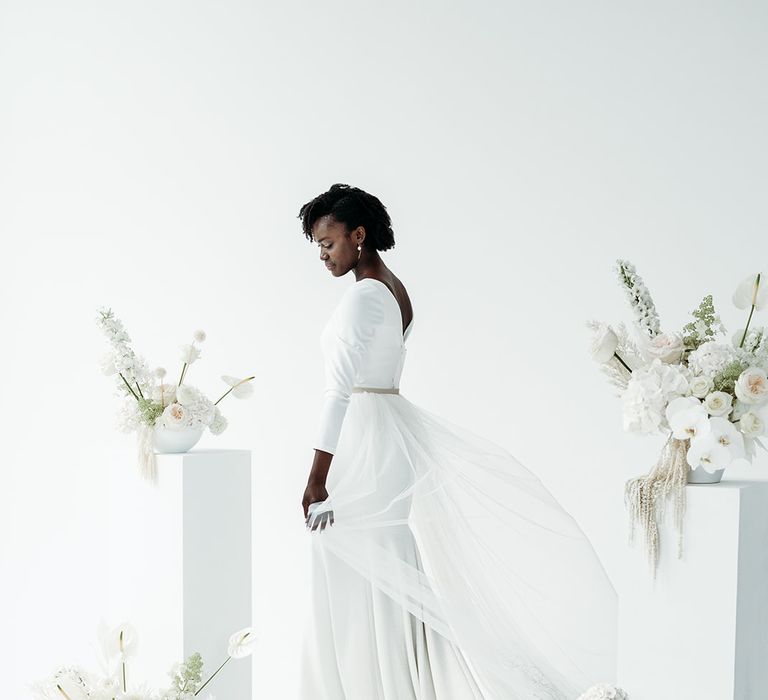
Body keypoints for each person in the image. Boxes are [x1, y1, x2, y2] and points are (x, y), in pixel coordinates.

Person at [296, 183, 617, 700]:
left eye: (328, 243)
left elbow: (338, 391)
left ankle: (362, 686)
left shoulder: (361, 297)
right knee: (380, 565)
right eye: (317, 246)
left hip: (361, 442)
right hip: (383, 435)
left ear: (359, 236)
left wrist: (317, 479)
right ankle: (385, 682)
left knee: (351, 564)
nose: (322, 255)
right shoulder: (394, 287)